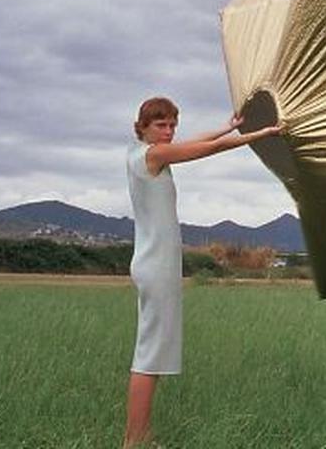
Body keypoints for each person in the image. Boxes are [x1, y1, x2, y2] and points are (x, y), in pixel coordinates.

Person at [123, 96, 280, 448]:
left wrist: (229, 125)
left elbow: (198, 141)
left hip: (154, 264)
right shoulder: (153, 155)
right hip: (156, 266)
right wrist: (259, 133)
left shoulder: (141, 154)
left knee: (153, 352)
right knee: (148, 356)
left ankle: (142, 435)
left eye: (172, 125)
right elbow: (206, 149)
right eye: (160, 125)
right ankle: (133, 440)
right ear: (143, 127)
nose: (168, 131)